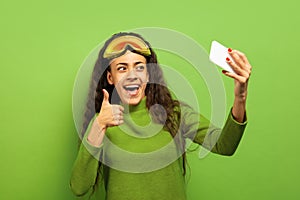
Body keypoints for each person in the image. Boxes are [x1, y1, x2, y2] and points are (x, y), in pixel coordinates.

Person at [70, 32, 252, 200]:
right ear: (111, 78)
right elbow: (79, 187)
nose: (132, 75)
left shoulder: (174, 114)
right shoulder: (103, 122)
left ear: (148, 74)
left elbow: (225, 145)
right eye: (122, 68)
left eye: (139, 67)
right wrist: (99, 125)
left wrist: (240, 97)